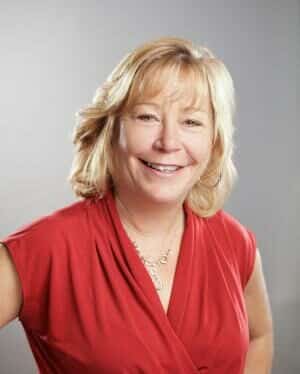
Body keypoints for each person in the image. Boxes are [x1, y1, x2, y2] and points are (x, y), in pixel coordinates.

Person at [0, 37, 273, 373]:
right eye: (146, 117)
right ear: (109, 129)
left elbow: (259, 336)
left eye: (191, 122)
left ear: (214, 142)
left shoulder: (236, 243)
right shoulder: (45, 248)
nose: (168, 142)